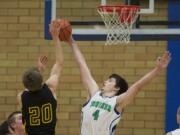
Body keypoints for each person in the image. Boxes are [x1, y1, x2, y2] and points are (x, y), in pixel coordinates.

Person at [66, 36, 171, 135]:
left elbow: (137, 87)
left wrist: (157, 70)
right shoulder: (94, 93)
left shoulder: (117, 102)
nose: (105, 82)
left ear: (116, 87)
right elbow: (82, 65)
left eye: (110, 80)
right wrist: (72, 42)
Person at [17, 20, 64, 135]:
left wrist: (39, 71)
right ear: (41, 80)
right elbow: (59, 62)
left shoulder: (21, 97)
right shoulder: (51, 87)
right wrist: (55, 37)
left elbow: (31, 87)